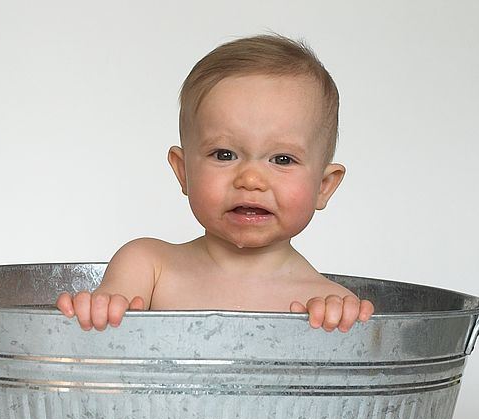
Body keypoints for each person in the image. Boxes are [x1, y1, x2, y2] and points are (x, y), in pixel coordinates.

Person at [56, 33, 374, 332]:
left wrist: (341, 326)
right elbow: (103, 341)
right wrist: (97, 309)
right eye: (224, 154)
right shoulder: (148, 267)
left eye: (282, 159)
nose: (250, 179)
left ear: (324, 186)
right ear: (183, 172)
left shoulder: (329, 304)